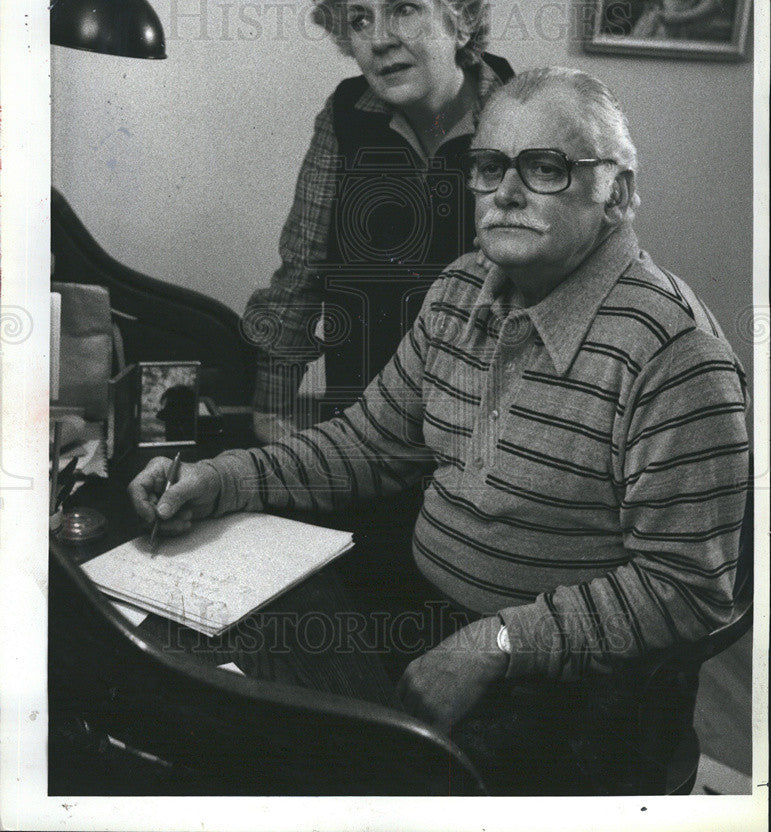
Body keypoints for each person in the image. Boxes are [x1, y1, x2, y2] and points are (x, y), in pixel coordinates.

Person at [131, 68, 748, 793]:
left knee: (324, 774)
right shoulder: (459, 290)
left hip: (579, 687)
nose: (506, 192)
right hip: (428, 615)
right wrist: (222, 478)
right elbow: (364, 445)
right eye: (489, 166)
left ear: (616, 191)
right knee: (211, 692)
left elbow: (684, 589)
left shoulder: (675, 352)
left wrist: (498, 644)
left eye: (545, 168)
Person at [242, 0, 513, 444]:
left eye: (404, 9)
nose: (378, 39)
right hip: (359, 427)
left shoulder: (522, 115)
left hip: (487, 432)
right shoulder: (344, 117)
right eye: (360, 20)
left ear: (457, 18)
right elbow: (300, 273)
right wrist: (273, 411)